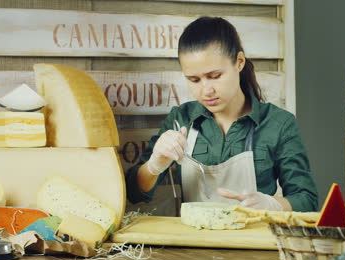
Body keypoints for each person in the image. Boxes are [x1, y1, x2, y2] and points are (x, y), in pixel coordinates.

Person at [125, 17, 318, 212]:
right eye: (194, 80)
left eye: (215, 76)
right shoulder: (181, 119)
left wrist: (273, 204)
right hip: (193, 241)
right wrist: (153, 165)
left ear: (239, 62)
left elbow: (307, 200)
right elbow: (135, 194)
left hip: (256, 240)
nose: (206, 90)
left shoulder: (279, 124)